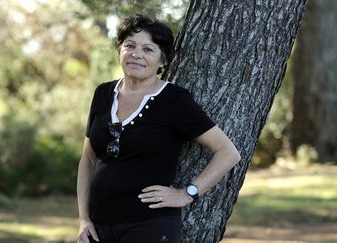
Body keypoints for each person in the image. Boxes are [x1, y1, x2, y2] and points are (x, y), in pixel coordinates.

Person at [76, 14, 241, 243]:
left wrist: (187, 193)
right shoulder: (103, 94)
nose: (136, 54)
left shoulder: (174, 100)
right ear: (119, 51)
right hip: (97, 227)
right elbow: (88, 159)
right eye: (130, 46)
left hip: (149, 226)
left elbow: (228, 153)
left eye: (148, 49)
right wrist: (84, 219)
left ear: (163, 60)